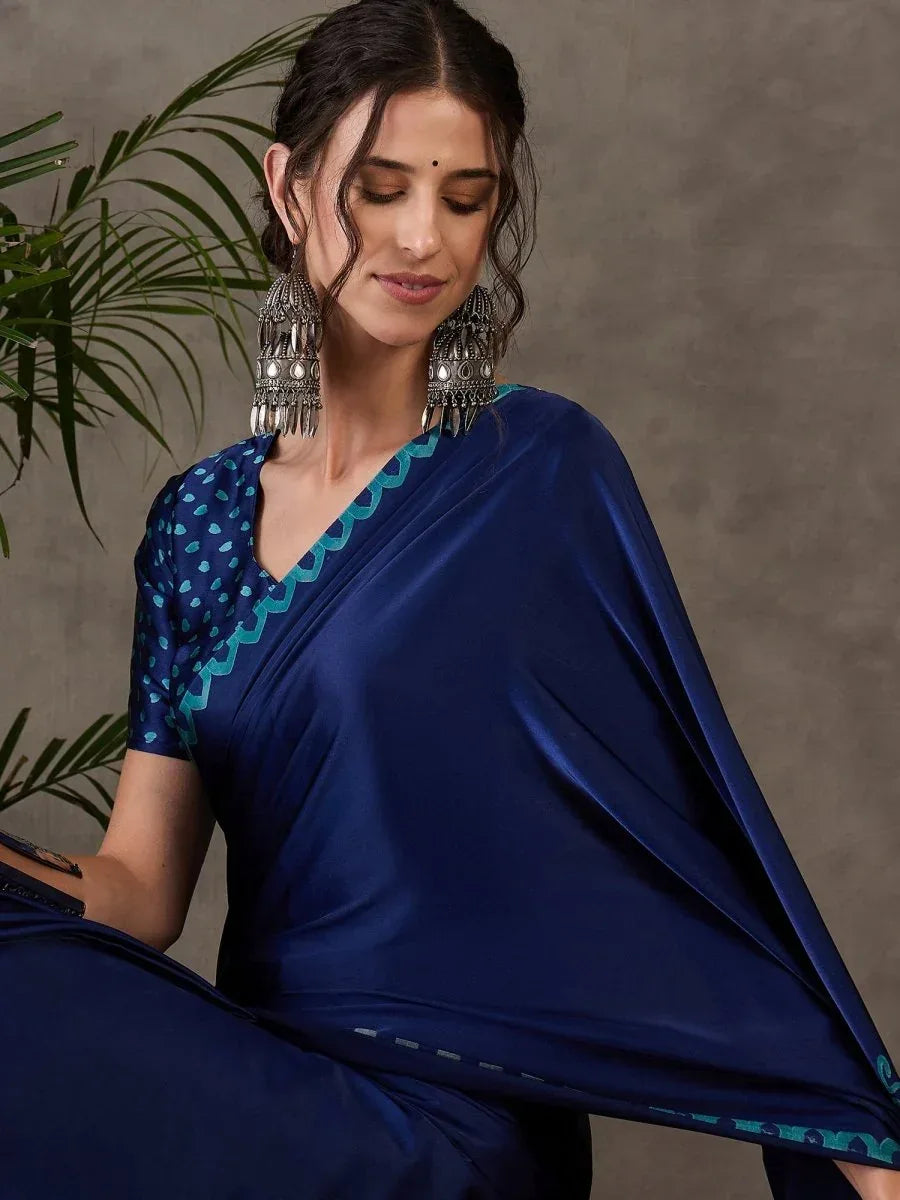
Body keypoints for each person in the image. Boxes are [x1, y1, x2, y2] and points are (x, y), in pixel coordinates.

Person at [1, 1, 898, 1197]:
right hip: (271, 1085)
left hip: (455, 1128)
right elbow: (140, 892)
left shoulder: (537, 474)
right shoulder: (198, 521)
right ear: (288, 189)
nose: (423, 237)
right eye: (379, 190)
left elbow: (689, 832)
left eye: (466, 199)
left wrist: (840, 1120)